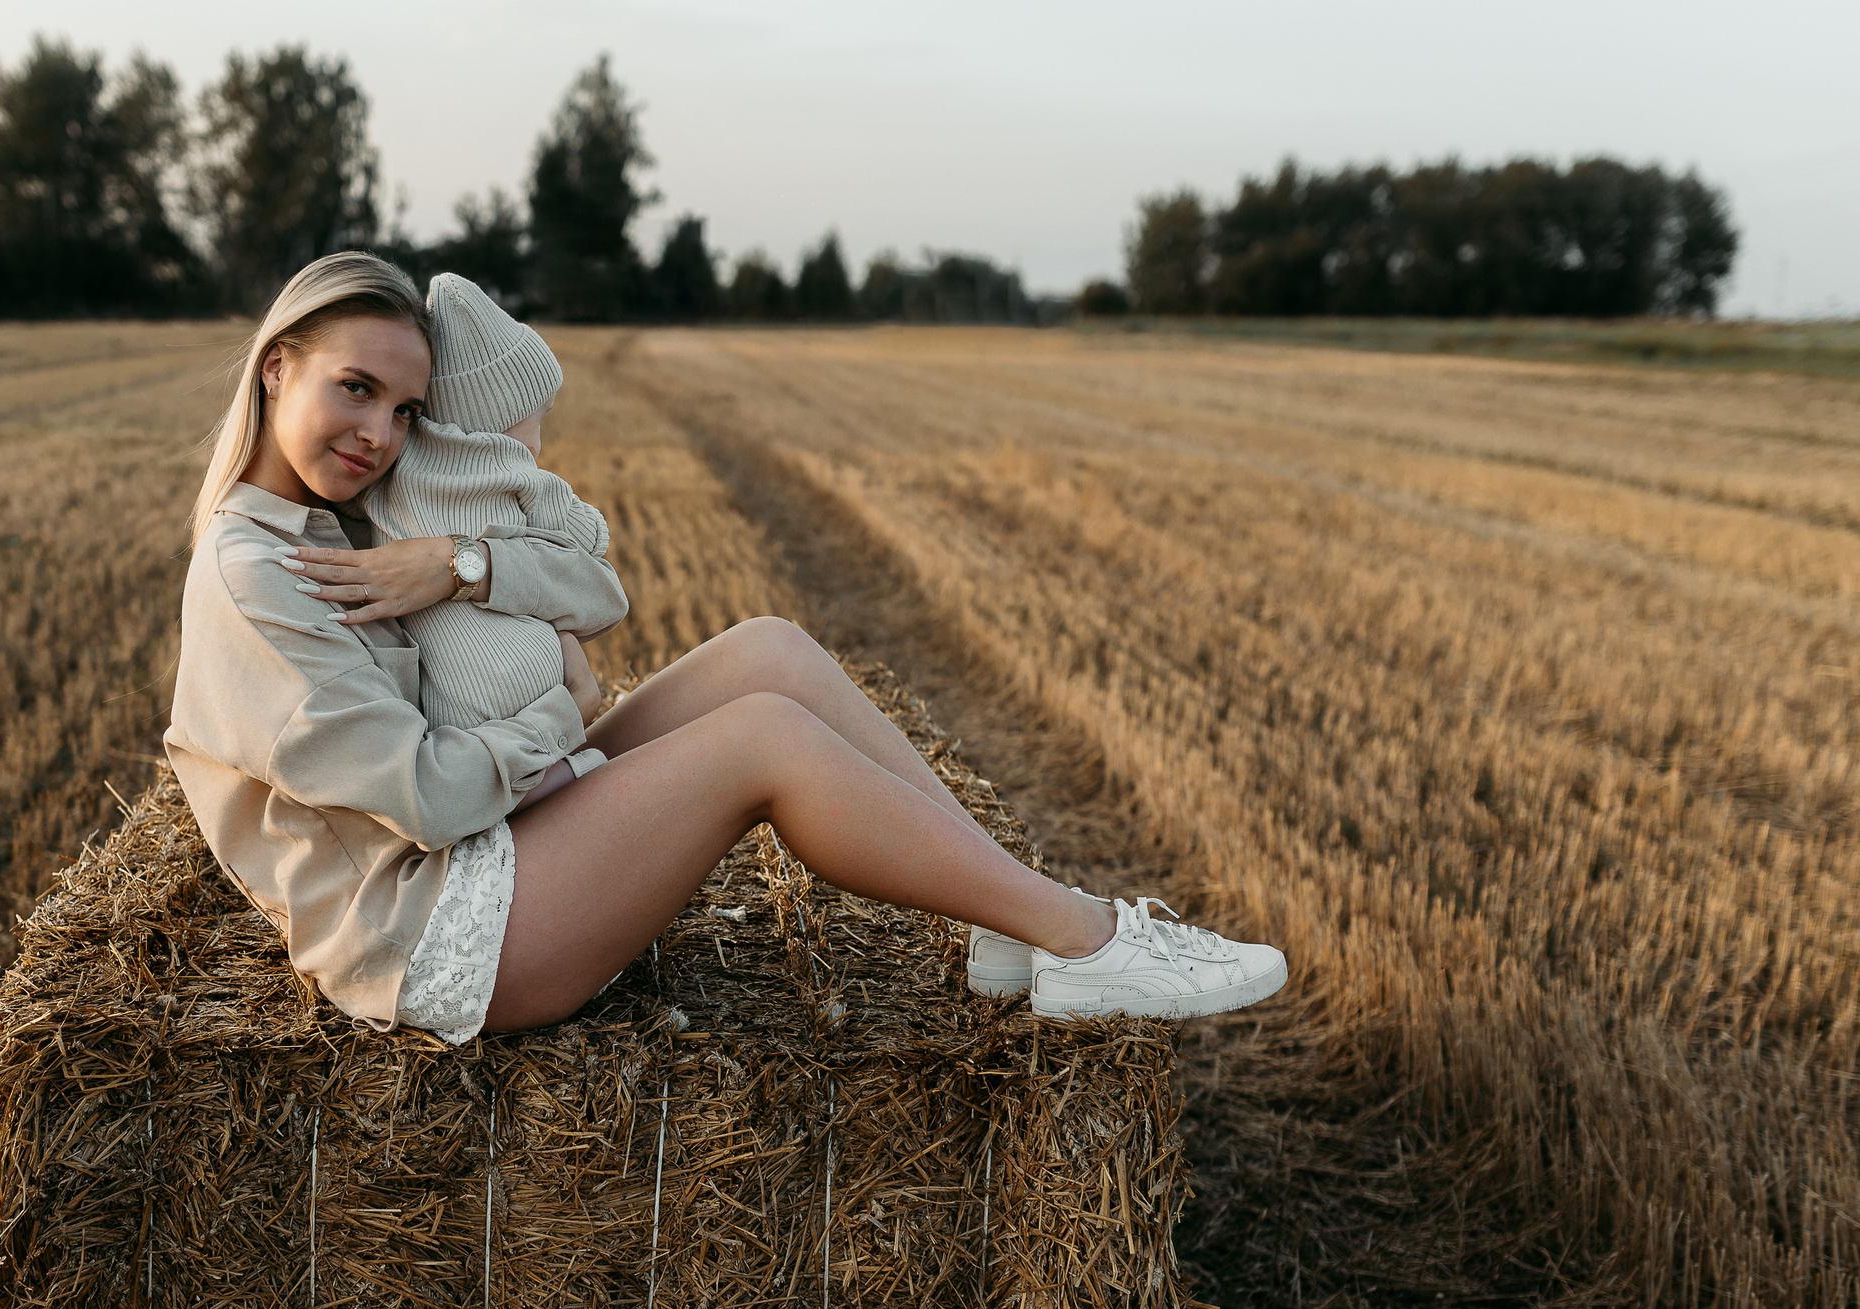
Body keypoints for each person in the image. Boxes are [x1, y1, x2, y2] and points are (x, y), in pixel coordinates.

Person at [161, 253, 1286, 1047]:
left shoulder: (339, 524)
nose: (379, 435)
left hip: (499, 837)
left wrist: (463, 563)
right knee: (763, 741)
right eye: (353, 389)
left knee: (771, 654)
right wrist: (562, 706)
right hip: (433, 930)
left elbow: (587, 588)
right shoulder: (257, 577)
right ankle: (1086, 944)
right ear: (275, 367)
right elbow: (427, 795)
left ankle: (1007, 921)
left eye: (405, 409)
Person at [366, 273, 609, 743]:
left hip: (453, 723)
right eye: (539, 418)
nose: (539, 442)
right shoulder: (513, 467)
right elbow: (591, 548)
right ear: (495, 421)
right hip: (537, 702)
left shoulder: (391, 475)